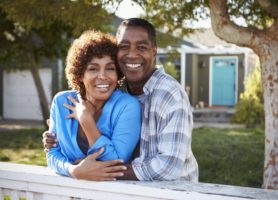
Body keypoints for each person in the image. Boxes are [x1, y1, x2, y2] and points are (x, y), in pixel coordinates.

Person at [43, 18, 199, 182]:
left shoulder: (170, 95)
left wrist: (94, 170)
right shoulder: (119, 88)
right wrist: (74, 170)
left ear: (154, 52)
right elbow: (53, 153)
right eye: (124, 47)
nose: (132, 54)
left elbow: (169, 167)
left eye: (142, 47)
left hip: (174, 192)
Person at [46, 30, 141, 180]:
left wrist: (85, 120)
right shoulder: (61, 102)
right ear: (79, 75)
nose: (103, 76)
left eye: (110, 68)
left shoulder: (127, 106)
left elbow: (115, 163)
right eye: (93, 69)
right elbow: (52, 154)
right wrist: (74, 170)